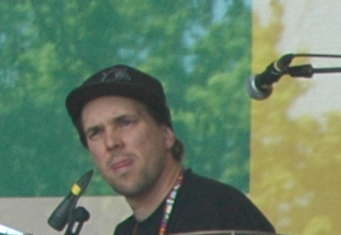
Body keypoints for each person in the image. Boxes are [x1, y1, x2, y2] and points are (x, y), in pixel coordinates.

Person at [67, 63, 275, 234]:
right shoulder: (126, 231)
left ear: (166, 135)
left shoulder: (218, 209)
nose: (111, 142)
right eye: (96, 132)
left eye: (126, 123)